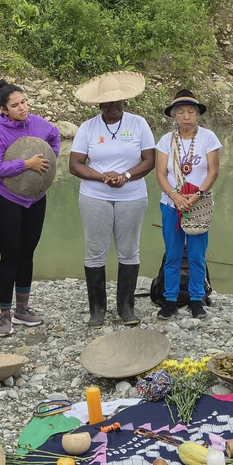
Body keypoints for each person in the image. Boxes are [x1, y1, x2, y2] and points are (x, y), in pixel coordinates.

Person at [70, 71, 155, 326]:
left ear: (124, 101)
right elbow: (75, 164)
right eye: (107, 103)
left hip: (132, 195)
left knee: (129, 251)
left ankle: (126, 308)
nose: (112, 107)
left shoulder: (139, 124)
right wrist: (102, 177)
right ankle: (97, 310)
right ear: (99, 104)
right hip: (95, 195)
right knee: (95, 252)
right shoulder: (88, 127)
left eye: (117, 102)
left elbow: (149, 160)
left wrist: (126, 175)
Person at [0, 79, 61, 337]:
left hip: (35, 199)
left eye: (24, 102)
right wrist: (25, 164)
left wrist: (50, 158)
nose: (23, 108)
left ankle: (23, 310)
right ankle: (5, 314)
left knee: (27, 254)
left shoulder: (37, 123)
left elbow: (54, 136)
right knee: (10, 258)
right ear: (4, 110)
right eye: (15, 105)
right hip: (7, 202)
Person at [154, 90, 221, 320]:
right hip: (172, 204)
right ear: (174, 115)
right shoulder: (165, 140)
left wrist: (197, 195)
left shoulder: (208, 138)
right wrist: (175, 196)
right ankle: (170, 299)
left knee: (196, 255)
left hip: (198, 205)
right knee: (173, 254)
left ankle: (196, 299)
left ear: (197, 115)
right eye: (181, 112)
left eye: (190, 112)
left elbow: (213, 171)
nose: (186, 117)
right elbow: (161, 174)